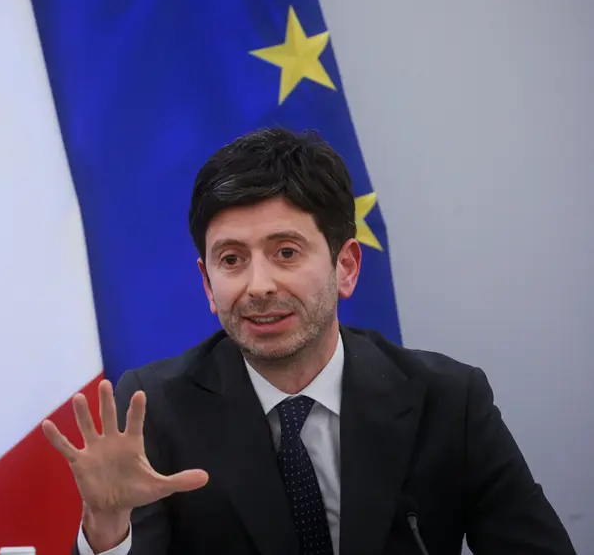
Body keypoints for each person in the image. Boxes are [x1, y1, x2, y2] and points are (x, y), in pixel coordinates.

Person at [41, 128, 576, 555]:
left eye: (287, 252)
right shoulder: (156, 410)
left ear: (346, 266)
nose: (258, 285)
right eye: (232, 260)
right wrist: (107, 530)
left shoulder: (449, 400)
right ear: (207, 284)